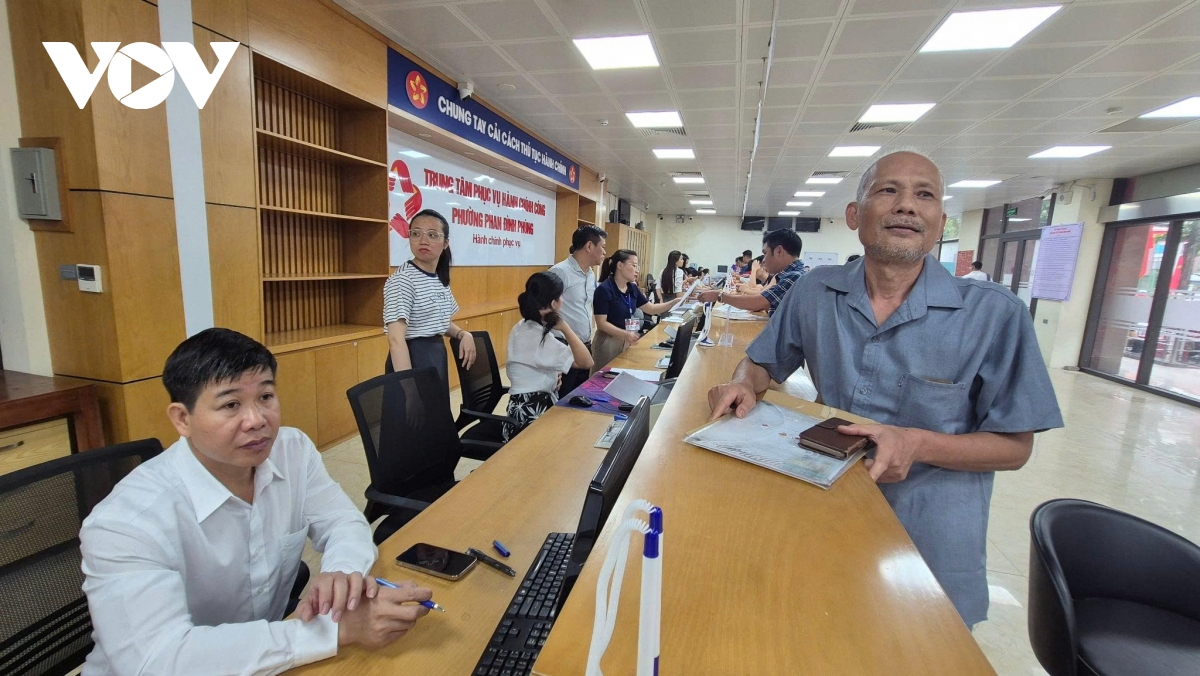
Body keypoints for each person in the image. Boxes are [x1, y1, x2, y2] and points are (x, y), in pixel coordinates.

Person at [706, 150, 1063, 628]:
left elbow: (1016, 447)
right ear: (855, 214)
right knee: (808, 627)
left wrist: (916, 443)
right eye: (888, 190)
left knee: (917, 645)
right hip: (820, 506)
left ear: (939, 221)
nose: (907, 205)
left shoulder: (995, 314)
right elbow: (762, 362)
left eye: (925, 195)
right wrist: (742, 384)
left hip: (928, 534)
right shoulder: (815, 292)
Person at [79, 328, 433, 675]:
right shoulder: (125, 523)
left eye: (265, 397)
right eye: (231, 405)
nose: (256, 420)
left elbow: (343, 521)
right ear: (182, 419)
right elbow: (155, 661)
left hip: (270, 656)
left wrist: (341, 572)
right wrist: (332, 631)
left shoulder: (292, 451)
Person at [383, 209, 474, 393]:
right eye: (416, 233)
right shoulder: (402, 280)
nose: (423, 241)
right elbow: (396, 339)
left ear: (445, 243)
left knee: (436, 410)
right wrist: (410, 390)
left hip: (434, 357)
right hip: (410, 362)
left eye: (432, 235)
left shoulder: (438, 278)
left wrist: (463, 334)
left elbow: (438, 322)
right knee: (415, 410)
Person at [504, 272, 594, 440]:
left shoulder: (523, 326)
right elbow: (586, 362)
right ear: (554, 303)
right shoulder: (539, 337)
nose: (563, 300)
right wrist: (565, 328)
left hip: (521, 408)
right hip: (532, 416)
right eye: (561, 296)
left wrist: (553, 374)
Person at [592, 249, 678, 371]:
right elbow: (601, 323)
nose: (637, 270)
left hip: (627, 338)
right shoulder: (604, 289)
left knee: (621, 373)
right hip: (608, 341)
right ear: (620, 265)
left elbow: (651, 308)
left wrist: (673, 302)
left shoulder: (632, 288)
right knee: (602, 378)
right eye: (633, 265)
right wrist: (625, 334)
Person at [548, 225, 607, 396]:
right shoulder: (560, 272)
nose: (604, 252)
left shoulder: (590, 274)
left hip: (584, 345)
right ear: (589, 246)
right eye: (602, 247)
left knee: (578, 396)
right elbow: (544, 310)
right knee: (562, 397)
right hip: (563, 345)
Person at [699, 229, 805, 317]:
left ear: (779, 251)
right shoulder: (788, 274)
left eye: (765, 253)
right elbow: (766, 303)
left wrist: (720, 296)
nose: (764, 260)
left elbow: (759, 302)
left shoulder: (795, 276)